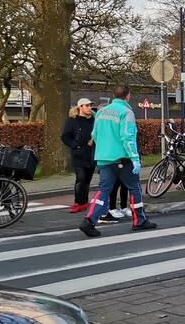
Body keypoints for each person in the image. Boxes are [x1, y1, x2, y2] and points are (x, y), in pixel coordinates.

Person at [80, 85, 156, 237]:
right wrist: (135, 159)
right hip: (122, 158)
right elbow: (127, 137)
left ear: (114, 96)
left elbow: (95, 134)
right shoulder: (126, 112)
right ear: (128, 96)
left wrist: (103, 151)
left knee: (103, 190)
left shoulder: (101, 112)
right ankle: (139, 221)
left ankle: (88, 220)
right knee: (134, 188)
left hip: (103, 158)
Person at [61, 99, 95, 213]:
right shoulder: (72, 121)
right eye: (87, 105)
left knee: (87, 179)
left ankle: (84, 202)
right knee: (80, 178)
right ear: (80, 107)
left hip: (91, 154)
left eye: (90, 105)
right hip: (78, 154)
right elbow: (65, 136)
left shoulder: (94, 120)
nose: (89, 108)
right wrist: (74, 145)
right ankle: (78, 202)